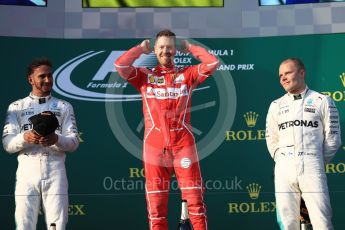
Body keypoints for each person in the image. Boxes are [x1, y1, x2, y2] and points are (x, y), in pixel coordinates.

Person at [115, 29, 219, 230]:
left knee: (196, 204)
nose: (166, 51)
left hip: (183, 146)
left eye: (170, 47)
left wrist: (190, 47)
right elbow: (120, 65)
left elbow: (212, 63)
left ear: (175, 50)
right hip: (154, 149)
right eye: (161, 47)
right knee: (156, 210)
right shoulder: (144, 76)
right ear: (155, 50)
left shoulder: (187, 75)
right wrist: (139, 49)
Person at [2, 58, 79, 230]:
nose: (47, 80)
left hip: (55, 170)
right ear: (31, 79)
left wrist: (56, 139)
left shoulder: (64, 106)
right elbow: (7, 144)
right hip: (26, 172)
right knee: (24, 225)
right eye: (42, 76)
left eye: (50, 76)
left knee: (57, 225)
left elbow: (74, 142)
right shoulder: (16, 106)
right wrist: (24, 137)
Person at [265, 58, 341, 230]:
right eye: (280, 75)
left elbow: (333, 139)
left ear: (302, 72)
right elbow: (271, 139)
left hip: (312, 165)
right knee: (287, 222)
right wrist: (283, 160)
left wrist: (316, 161)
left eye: (288, 73)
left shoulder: (322, 101)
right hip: (284, 167)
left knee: (322, 220)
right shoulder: (275, 105)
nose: (283, 78)